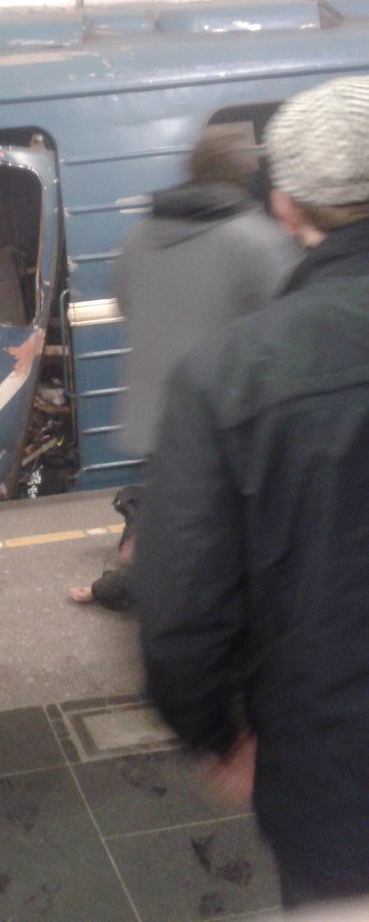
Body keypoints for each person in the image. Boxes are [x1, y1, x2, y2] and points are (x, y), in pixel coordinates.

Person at [133, 75, 369, 910]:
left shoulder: (228, 375)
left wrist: (216, 735)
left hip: (337, 782)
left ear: (284, 205)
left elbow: (181, 614)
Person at [71, 123, 299, 610]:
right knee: (234, 553)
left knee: (182, 545)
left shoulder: (138, 236)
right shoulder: (257, 239)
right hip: (231, 427)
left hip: (157, 425)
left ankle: (167, 608)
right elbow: (291, 326)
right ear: (243, 176)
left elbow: (126, 304)